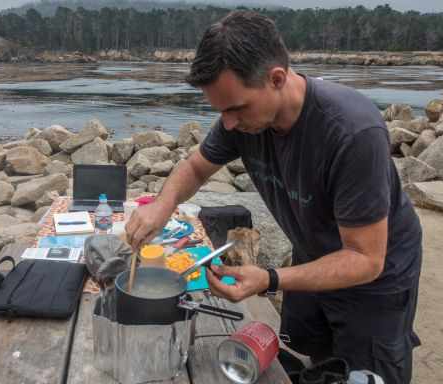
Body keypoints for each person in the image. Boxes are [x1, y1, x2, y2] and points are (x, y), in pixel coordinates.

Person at [125, 10, 422, 384]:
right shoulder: (242, 117)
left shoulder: (351, 131)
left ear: (276, 78)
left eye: (235, 108)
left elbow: (365, 258)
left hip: (372, 278)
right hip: (311, 251)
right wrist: (162, 208)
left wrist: (269, 278)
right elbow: (197, 167)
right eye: (220, 111)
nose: (228, 123)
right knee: (315, 355)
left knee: (364, 374)